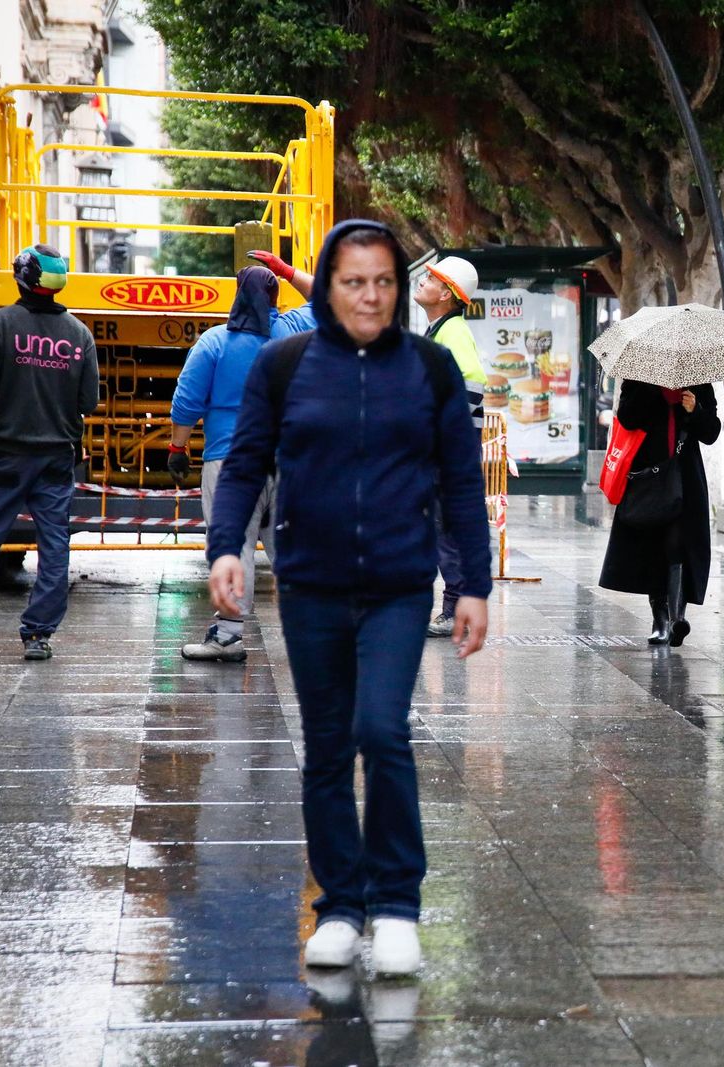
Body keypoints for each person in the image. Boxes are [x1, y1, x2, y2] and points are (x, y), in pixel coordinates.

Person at [207, 220, 492, 977]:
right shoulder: (284, 364)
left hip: (398, 584)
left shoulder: (430, 367)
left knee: (382, 730)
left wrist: (473, 585)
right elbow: (245, 464)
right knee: (328, 745)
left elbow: (461, 481)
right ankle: (339, 907)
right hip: (311, 584)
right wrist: (226, 547)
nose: (370, 295)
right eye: (353, 281)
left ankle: (395, 906)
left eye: (383, 281)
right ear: (327, 287)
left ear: (399, 289)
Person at [0, 246, 98, 662]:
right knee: (54, 544)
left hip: (6, 454)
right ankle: (38, 636)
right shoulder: (79, 335)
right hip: (56, 457)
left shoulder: (0, 325)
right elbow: (88, 400)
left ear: (23, 280)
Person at [169, 265, 317, 662]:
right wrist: (288, 271)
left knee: (235, 548)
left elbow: (186, 402)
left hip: (231, 463)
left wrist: (178, 448)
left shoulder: (215, 342)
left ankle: (228, 636)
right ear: (275, 298)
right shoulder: (296, 332)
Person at [598, 380, 720, 646]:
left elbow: (711, 432)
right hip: (649, 477)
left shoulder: (698, 382)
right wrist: (652, 391)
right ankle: (660, 619)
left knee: (678, 544)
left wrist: (695, 410)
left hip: (685, 478)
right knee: (654, 545)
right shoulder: (639, 378)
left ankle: (677, 618)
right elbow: (627, 418)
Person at [410, 255, 485, 639]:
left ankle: (454, 611)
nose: (423, 281)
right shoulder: (442, 330)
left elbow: (471, 386)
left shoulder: (452, 331)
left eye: (432, 278)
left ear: (447, 294)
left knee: (445, 530)